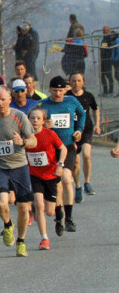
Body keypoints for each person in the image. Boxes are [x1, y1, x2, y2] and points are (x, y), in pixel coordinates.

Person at [0, 86, 37, 260]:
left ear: (9, 99)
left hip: (19, 166)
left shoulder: (19, 116)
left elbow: (33, 141)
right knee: (1, 203)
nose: (0, 103)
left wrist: (22, 141)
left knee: (23, 208)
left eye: (3, 99)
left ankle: (21, 241)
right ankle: (8, 224)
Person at [37, 76, 86, 234]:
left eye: (60, 90)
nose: (58, 94)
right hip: (51, 149)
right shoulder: (43, 105)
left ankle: (69, 218)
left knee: (66, 178)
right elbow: (35, 125)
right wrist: (45, 126)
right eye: (54, 91)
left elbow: (82, 114)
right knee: (57, 183)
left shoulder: (71, 101)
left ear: (65, 89)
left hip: (68, 145)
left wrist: (79, 129)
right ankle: (59, 217)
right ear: (49, 90)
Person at [25, 108, 67, 252]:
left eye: (38, 118)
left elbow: (63, 149)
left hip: (51, 174)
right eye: (32, 118)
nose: (35, 121)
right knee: (39, 205)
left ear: (43, 121)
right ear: (28, 120)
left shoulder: (50, 134)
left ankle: (59, 211)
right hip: (35, 175)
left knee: (50, 211)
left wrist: (60, 164)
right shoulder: (25, 135)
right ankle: (44, 238)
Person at [66, 72, 100, 200]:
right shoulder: (66, 97)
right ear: (70, 82)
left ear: (83, 82)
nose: (76, 83)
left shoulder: (88, 96)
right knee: (75, 162)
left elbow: (95, 109)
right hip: (71, 132)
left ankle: (87, 183)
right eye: (74, 81)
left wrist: (97, 124)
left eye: (79, 81)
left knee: (86, 154)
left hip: (86, 130)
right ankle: (78, 186)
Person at [100, 25, 118, 96]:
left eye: (105, 30)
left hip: (108, 59)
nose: (104, 32)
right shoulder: (103, 39)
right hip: (103, 59)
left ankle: (110, 91)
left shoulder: (110, 39)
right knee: (102, 76)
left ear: (108, 31)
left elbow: (110, 49)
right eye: (103, 30)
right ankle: (105, 91)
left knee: (109, 75)